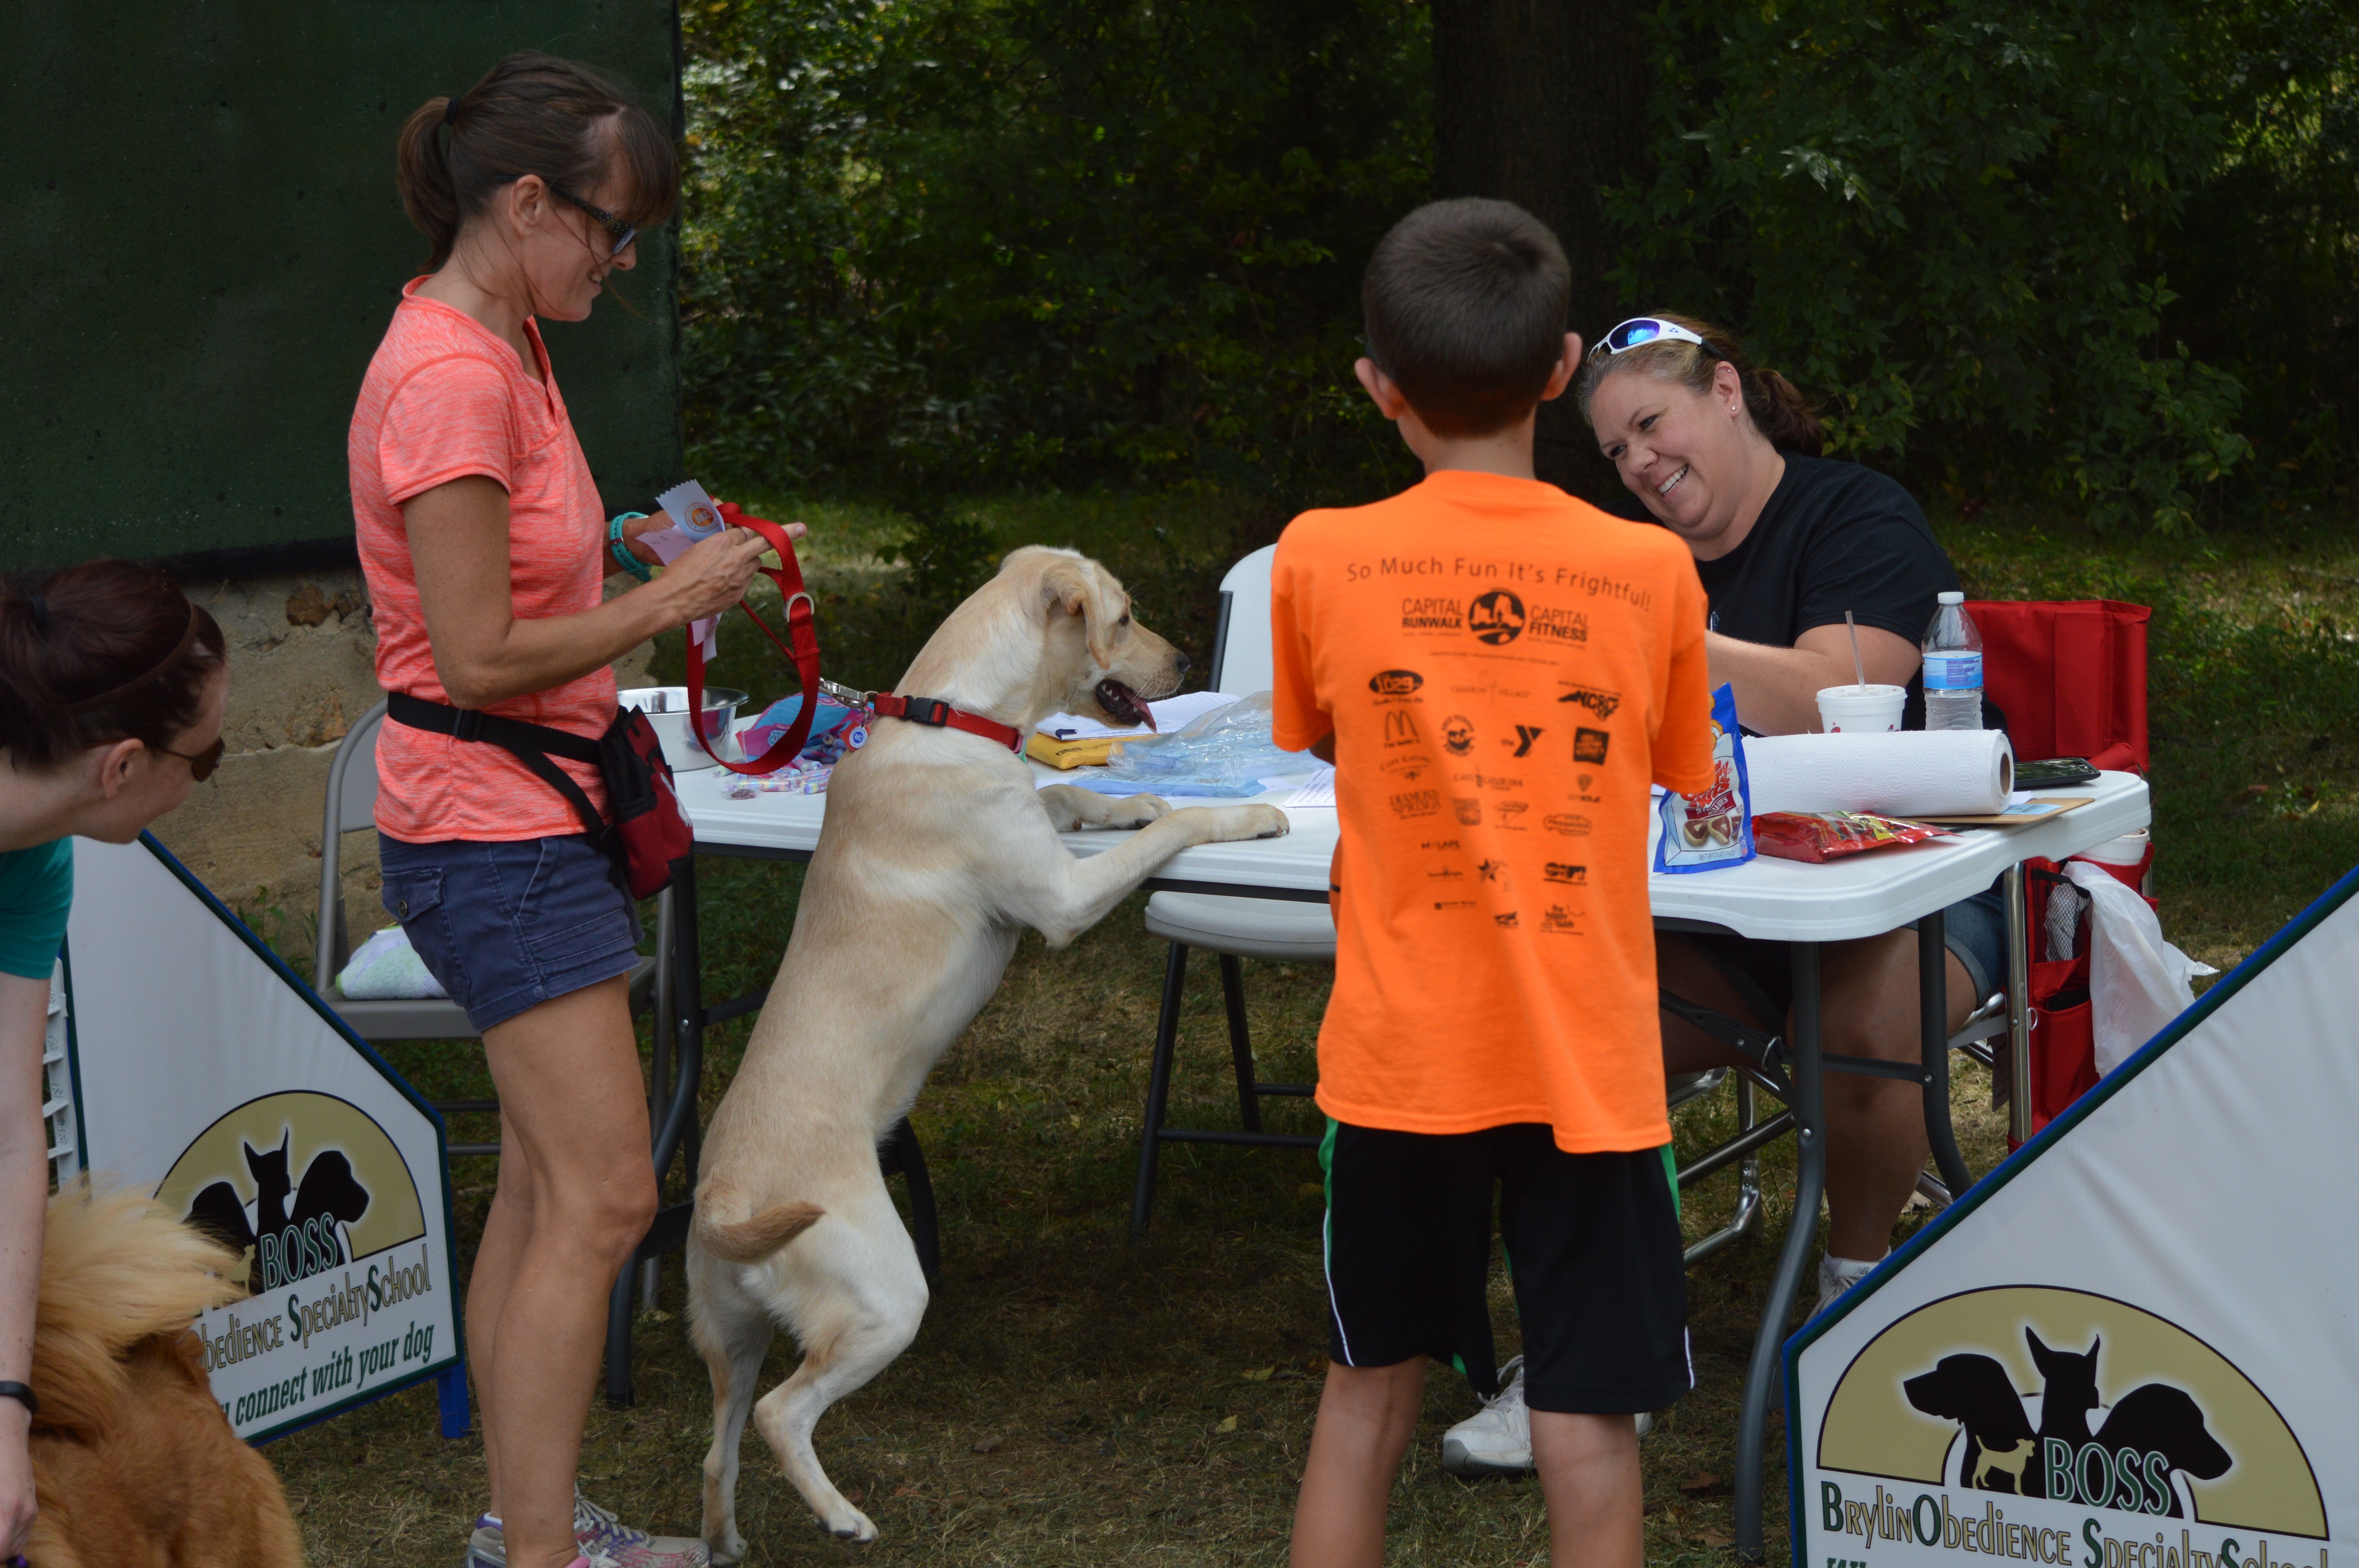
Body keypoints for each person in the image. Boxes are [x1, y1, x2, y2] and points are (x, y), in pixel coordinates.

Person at [360, 54, 788, 1568]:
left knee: (547, 1189)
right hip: (492, 832)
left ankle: (523, 1528)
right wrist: (663, 596)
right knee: (607, 1198)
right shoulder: (451, 374)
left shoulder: (507, 342)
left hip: (517, 818)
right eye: (611, 231)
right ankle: (540, 1555)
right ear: (527, 201)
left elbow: (498, 573)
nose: (621, 260)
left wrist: (621, 549)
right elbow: (472, 655)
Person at [1270, 198, 1716, 1568]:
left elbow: (1319, 734)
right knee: (1588, 1417)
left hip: (1404, 1057)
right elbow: (1680, 767)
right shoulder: (1651, 569)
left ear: (1376, 389)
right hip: (1587, 1058)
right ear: (1560, 367)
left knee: (1365, 1396)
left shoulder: (1316, 558)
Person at [1576, 312, 2009, 1300]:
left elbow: (1834, 694)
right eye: (1615, 449)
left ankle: (1853, 1294)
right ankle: (1601, 1328)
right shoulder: (1639, 560)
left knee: (1858, 1024)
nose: (1639, 462)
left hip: (1908, 879)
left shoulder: (1857, 514)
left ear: (1725, 392)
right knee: (1573, 1026)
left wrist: (1650, 626)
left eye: (1651, 424)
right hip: (1718, 895)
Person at [0, 561, 231, 1562]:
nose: (206, 773)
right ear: (123, 764)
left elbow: (12, 1131)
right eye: (209, 756)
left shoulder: (37, 858)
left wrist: (6, 1413)